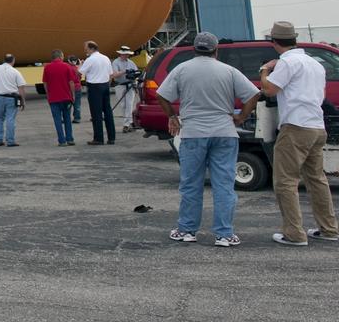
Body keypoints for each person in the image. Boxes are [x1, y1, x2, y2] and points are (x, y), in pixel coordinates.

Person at [156, 31, 260, 247]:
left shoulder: (182, 69)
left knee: (191, 184)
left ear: (194, 48)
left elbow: (162, 95)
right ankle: (224, 234)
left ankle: (187, 229)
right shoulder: (228, 70)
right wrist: (241, 117)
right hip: (224, 132)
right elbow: (253, 94)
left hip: (193, 133)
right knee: (224, 184)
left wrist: (172, 117)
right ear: (216, 50)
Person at [259, 21, 339, 246]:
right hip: (316, 125)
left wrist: (265, 70)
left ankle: (294, 233)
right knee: (317, 180)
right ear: (294, 38)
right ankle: (329, 228)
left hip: (295, 126)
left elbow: (269, 89)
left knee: (285, 181)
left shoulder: (287, 62)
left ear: (274, 42)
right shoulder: (315, 64)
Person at [80, 41, 115, 145]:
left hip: (94, 87)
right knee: (108, 112)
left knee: (96, 114)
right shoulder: (106, 58)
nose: (84, 49)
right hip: (105, 85)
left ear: (91, 48)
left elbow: (80, 72)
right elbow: (110, 74)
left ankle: (99, 138)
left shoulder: (90, 59)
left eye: (85, 47)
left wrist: (80, 65)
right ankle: (111, 137)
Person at [0, 53, 26, 147]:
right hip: (11, 98)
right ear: (13, 61)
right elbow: (21, 87)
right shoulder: (15, 71)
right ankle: (10, 141)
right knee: (10, 119)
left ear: (4, 60)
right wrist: (23, 101)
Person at [41, 49, 78, 146]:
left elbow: (45, 83)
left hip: (53, 98)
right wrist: (73, 95)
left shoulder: (47, 68)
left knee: (57, 120)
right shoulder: (67, 66)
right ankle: (69, 139)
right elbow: (71, 82)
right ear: (61, 56)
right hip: (66, 97)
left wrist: (48, 94)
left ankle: (61, 141)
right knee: (67, 118)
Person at [111, 46, 138, 131]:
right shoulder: (115, 62)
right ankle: (129, 122)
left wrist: (135, 83)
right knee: (123, 105)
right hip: (120, 84)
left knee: (129, 104)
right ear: (120, 54)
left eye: (127, 54)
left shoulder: (131, 62)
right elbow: (114, 75)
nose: (126, 56)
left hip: (130, 84)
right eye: (124, 54)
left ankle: (127, 123)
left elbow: (136, 73)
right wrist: (125, 71)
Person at [67, 55, 83, 123]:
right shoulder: (78, 69)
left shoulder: (68, 68)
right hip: (78, 88)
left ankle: (66, 118)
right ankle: (77, 118)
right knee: (77, 104)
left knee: (68, 104)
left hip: (70, 88)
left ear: (69, 61)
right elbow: (80, 77)